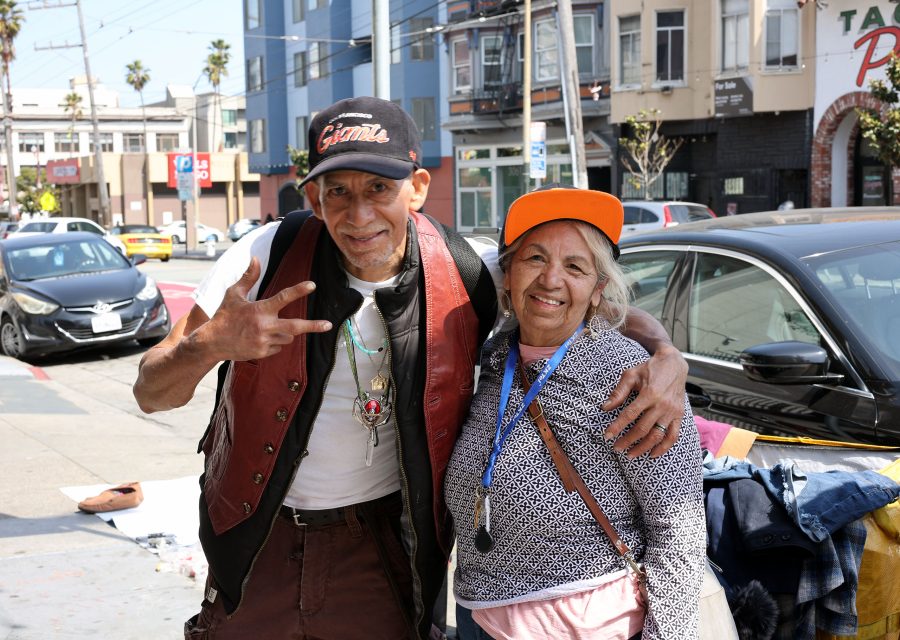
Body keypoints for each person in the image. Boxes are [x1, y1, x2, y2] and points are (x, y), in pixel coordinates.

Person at [132, 97, 689, 640]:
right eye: (338, 192)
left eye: (379, 188)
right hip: (258, 540)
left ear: (417, 189)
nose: (360, 214)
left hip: (383, 546)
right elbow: (152, 392)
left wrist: (666, 357)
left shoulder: (466, 267)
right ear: (314, 197)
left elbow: (573, 293)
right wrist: (208, 346)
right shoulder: (261, 257)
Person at [445, 186, 706, 640]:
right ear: (507, 273)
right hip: (478, 613)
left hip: (582, 623)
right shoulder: (491, 357)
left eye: (575, 267)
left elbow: (678, 534)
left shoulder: (633, 379)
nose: (550, 279)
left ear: (598, 289)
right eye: (534, 259)